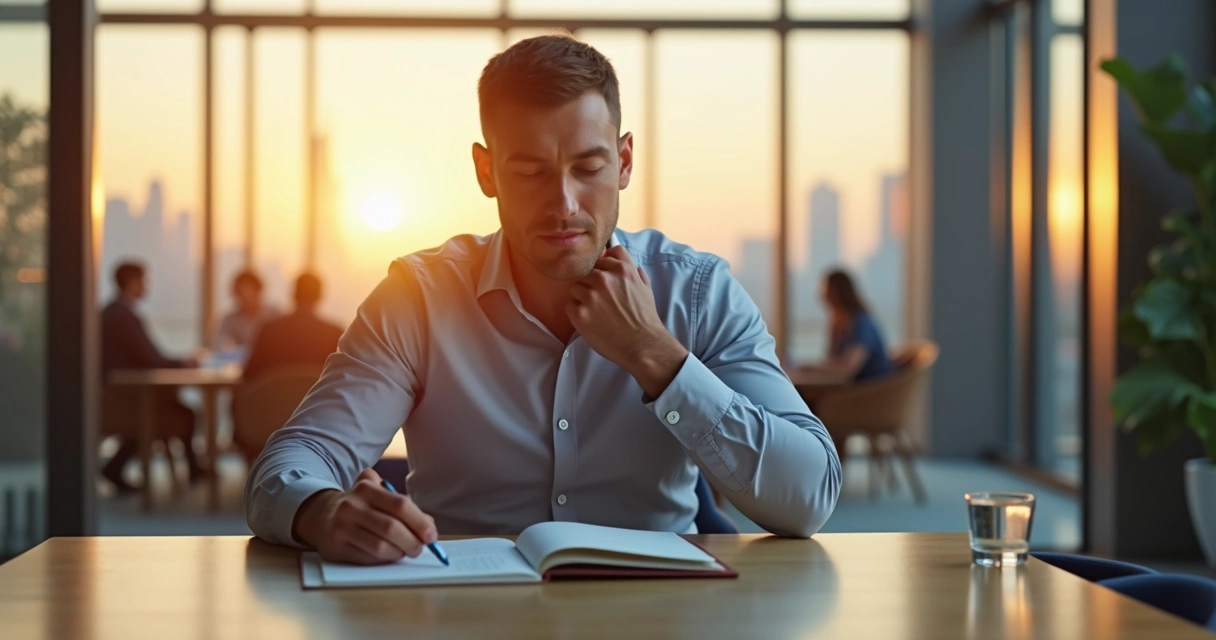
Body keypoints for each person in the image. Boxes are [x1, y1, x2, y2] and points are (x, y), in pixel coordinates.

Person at [245, 35, 841, 565]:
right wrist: (322, 512)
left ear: (624, 161)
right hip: (467, 613)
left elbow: (809, 496)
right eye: (530, 172)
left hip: (660, 616)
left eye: (589, 167)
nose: (564, 205)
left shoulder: (698, 292)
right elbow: (290, 464)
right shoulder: (418, 298)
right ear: (486, 172)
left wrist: (655, 355)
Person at [100, 261, 203, 492]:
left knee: (175, 409)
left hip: (118, 395)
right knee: (184, 414)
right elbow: (151, 359)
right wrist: (184, 363)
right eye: (144, 281)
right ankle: (194, 470)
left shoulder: (111, 313)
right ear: (132, 282)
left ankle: (114, 467)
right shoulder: (123, 317)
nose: (147, 286)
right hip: (129, 398)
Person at [240, 273, 343, 382]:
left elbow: (248, 375)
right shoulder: (335, 333)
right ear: (320, 296)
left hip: (275, 393)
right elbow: (343, 377)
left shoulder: (270, 330)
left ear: (293, 294)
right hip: (320, 393)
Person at [812, 270, 894, 383]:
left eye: (825, 290)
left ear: (836, 293)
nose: (821, 296)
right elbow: (832, 361)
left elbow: (847, 370)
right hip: (854, 387)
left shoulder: (862, 324)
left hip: (874, 388)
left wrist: (812, 368)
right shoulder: (838, 324)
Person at [214, 270, 279, 352]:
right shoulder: (229, 320)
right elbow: (219, 344)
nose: (245, 297)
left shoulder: (274, 315)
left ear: (258, 291)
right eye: (240, 292)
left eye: (248, 291)